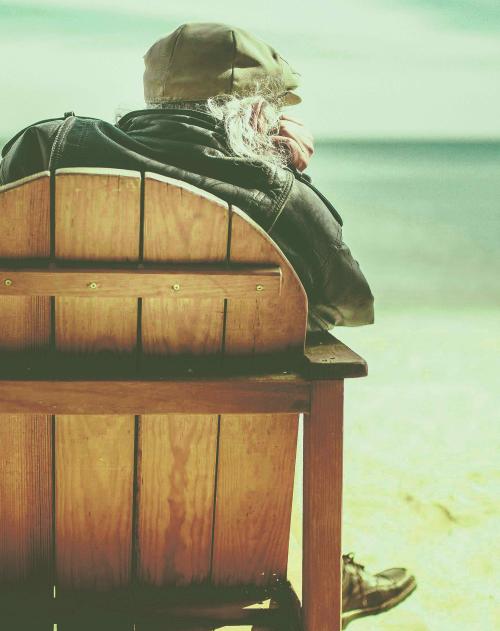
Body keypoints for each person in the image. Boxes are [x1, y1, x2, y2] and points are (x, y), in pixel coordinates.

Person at [0, 22, 416, 626]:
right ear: (254, 112)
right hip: (213, 544)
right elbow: (349, 307)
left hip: (32, 541)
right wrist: (293, 181)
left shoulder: (46, 149)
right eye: (273, 107)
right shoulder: (276, 194)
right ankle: (324, 580)